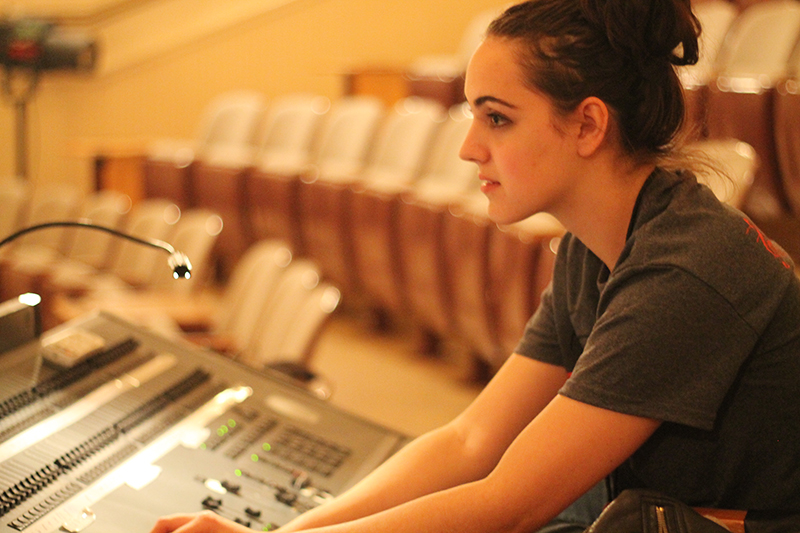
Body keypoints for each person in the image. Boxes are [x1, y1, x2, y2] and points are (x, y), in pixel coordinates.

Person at [150, 0, 800, 531]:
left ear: (588, 125)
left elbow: (509, 504)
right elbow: (470, 440)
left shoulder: (682, 272)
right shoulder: (592, 246)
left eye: (497, 118)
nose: (467, 148)